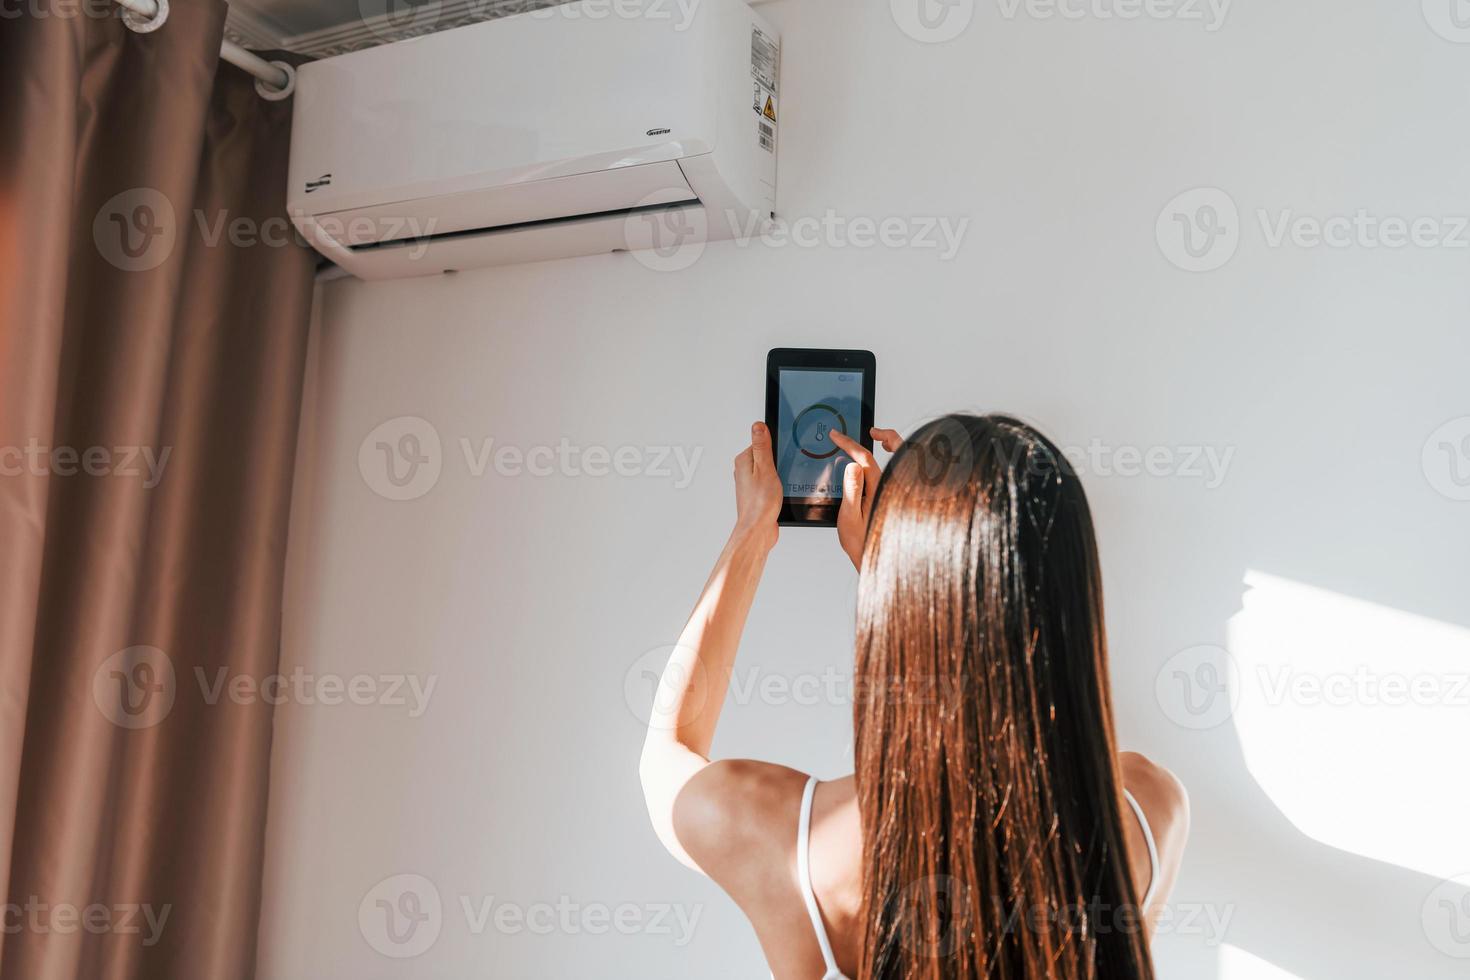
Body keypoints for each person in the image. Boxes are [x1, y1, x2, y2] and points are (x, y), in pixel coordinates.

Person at [639, 414, 1189, 980]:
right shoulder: (1150, 812)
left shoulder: (792, 841)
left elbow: (667, 755)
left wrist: (756, 527)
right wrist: (906, 581)